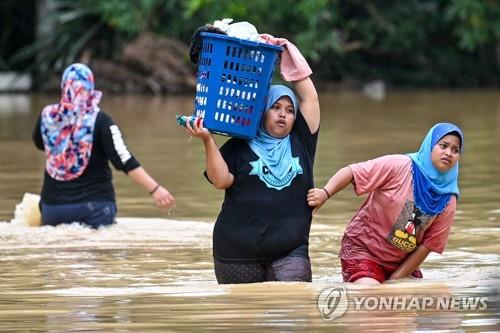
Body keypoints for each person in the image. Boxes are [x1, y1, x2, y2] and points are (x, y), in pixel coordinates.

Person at [184, 39, 320, 284]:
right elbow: (220, 181)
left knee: (293, 309)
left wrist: (286, 49)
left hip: (291, 250)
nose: (283, 114)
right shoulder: (239, 145)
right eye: (276, 107)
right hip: (236, 253)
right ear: (262, 111)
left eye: (290, 110)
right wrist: (207, 140)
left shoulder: (302, 141)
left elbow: (309, 97)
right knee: (244, 318)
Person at [307, 123, 463, 284]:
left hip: (401, 262)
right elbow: (352, 172)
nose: (448, 153)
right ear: (430, 146)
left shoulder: (448, 199)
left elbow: (427, 246)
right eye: (443, 146)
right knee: (371, 293)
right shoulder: (399, 165)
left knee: (414, 295)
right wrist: (325, 193)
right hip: (363, 251)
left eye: (455, 150)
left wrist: (395, 281)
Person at [33, 63, 175, 228]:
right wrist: (155, 189)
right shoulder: (101, 121)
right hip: (94, 209)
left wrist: (66, 143)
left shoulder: (48, 118)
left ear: (64, 87)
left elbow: (40, 143)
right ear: (90, 87)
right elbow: (124, 159)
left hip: (53, 211)